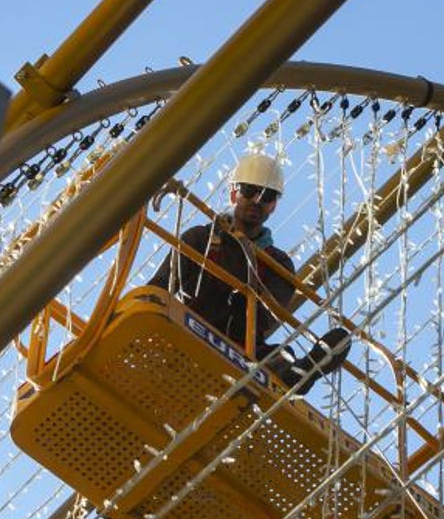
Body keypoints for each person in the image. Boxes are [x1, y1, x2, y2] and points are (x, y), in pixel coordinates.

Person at [149, 153, 350, 394]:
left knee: (282, 356)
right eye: (249, 190)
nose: (256, 200)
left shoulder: (278, 264)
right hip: (185, 328)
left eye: (266, 196)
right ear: (234, 193)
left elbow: (262, 319)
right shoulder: (200, 238)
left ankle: (298, 374)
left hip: (238, 350)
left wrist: (245, 284)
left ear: (273, 205)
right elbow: (159, 287)